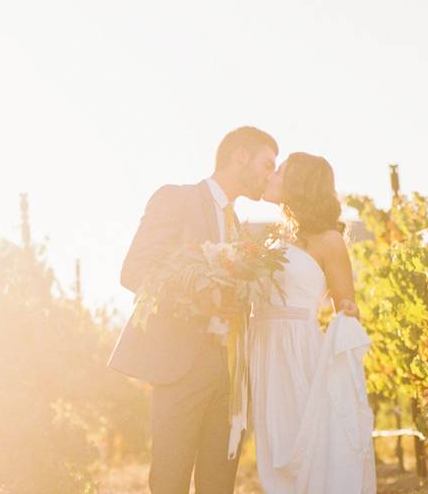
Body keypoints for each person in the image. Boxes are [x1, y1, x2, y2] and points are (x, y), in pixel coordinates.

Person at [107, 126, 278, 494]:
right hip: (180, 366)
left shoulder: (240, 229)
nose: (270, 176)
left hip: (228, 371)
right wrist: (201, 297)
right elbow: (135, 269)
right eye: (267, 165)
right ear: (240, 157)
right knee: (170, 480)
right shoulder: (176, 199)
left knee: (219, 484)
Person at [250, 152, 377, 493]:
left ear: (298, 184)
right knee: (272, 440)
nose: (271, 174)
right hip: (264, 349)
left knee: (307, 443)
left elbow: (345, 306)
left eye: (280, 171)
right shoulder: (273, 240)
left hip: (298, 352)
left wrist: (348, 312)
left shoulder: (329, 240)